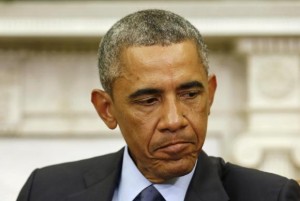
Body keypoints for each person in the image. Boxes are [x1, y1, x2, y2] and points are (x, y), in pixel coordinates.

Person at [17, 9, 300, 201]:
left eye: (190, 95)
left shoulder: (271, 195)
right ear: (106, 109)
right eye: (149, 100)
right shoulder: (45, 190)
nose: (174, 120)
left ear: (210, 94)